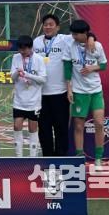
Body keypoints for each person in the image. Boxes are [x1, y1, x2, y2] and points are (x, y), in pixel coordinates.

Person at [65, 20, 107, 167]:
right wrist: (69, 89)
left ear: (84, 33)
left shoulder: (97, 46)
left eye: (76, 34)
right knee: (78, 126)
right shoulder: (70, 45)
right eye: (72, 34)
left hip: (96, 91)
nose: (74, 37)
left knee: (99, 123)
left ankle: (98, 158)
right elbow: (67, 68)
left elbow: (104, 65)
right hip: (79, 92)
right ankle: (79, 157)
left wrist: (91, 68)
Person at [34, 14, 72, 156]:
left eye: (51, 24)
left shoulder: (65, 39)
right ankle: (47, 157)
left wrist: (91, 39)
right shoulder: (36, 42)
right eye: (45, 24)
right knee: (44, 128)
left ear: (58, 27)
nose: (48, 27)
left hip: (60, 93)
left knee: (61, 127)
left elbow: (83, 35)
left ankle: (61, 157)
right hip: (41, 94)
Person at [11, 35, 47, 157]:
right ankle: (19, 157)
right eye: (20, 49)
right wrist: (17, 73)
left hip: (34, 101)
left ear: (31, 47)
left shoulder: (39, 59)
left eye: (24, 49)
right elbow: (12, 78)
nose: (22, 51)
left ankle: (32, 157)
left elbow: (43, 80)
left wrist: (27, 74)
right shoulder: (16, 58)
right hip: (19, 101)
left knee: (33, 128)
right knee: (17, 126)